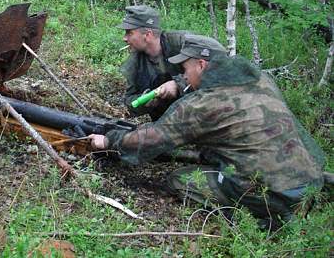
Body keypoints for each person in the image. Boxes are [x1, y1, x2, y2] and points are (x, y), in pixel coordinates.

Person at [90, 34, 325, 228]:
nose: (182, 75)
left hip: (270, 194)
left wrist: (110, 140)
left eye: (184, 69)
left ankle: (256, 218)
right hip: (309, 184)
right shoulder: (260, 79)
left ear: (201, 65)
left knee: (179, 180)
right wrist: (181, 85)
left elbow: (153, 137)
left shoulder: (203, 104)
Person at [118, 5, 190, 121]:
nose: (124, 38)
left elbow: (211, 69)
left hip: (198, 116)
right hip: (166, 125)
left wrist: (178, 84)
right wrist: (144, 101)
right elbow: (129, 102)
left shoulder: (183, 43)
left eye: (129, 33)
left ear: (147, 34)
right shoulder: (135, 63)